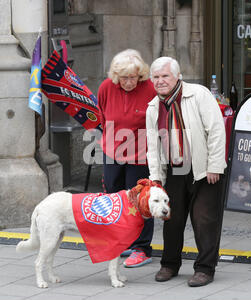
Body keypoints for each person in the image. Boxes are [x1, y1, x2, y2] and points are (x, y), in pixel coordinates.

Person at [146, 56, 227, 287]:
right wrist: (155, 178)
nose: (160, 81)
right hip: (174, 169)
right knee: (171, 218)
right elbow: (152, 146)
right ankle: (169, 265)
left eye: (165, 76)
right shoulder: (153, 106)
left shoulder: (198, 94)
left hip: (203, 169)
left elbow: (217, 131)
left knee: (204, 220)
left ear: (178, 76)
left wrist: (214, 165)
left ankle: (205, 269)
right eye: (156, 77)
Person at [97, 49, 157, 268]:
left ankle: (142, 248)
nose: (129, 82)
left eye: (133, 77)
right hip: (113, 149)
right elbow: (102, 115)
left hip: (141, 153)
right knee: (114, 196)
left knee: (139, 199)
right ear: (116, 77)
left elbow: (157, 120)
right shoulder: (106, 87)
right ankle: (121, 241)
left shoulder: (149, 88)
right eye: (124, 78)